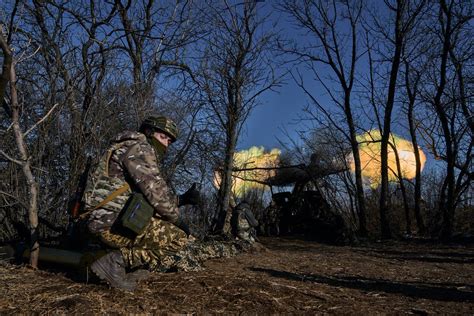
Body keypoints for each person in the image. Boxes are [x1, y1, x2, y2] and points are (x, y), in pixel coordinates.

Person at [83, 116, 200, 291]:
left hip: (101, 220)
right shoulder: (140, 148)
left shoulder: (123, 147)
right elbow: (156, 194)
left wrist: (180, 200)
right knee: (180, 239)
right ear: (149, 132)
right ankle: (116, 261)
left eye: (169, 141)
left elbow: (141, 197)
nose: (166, 145)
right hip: (111, 225)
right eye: (163, 137)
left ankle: (130, 266)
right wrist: (179, 221)